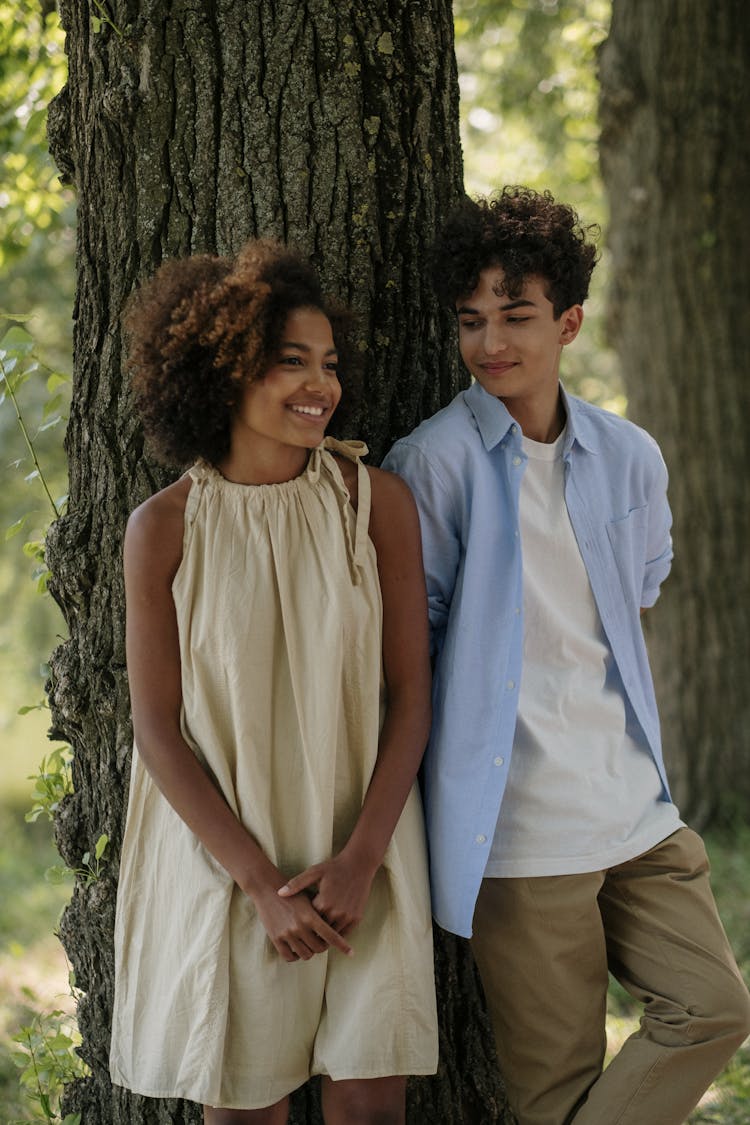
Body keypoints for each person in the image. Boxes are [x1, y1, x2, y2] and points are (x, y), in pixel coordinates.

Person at [383, 187, 750, 1125]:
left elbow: (635, 599)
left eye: (516, 315)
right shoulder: (433, 464)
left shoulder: (630, 456)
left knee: (713, 1008)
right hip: (520, 832)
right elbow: (408, 643)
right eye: (471, 320)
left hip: (635, 807)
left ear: (570, 321)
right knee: (554, 1093)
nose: (490, 341)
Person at [109, 240, 438, 1124]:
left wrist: (364, 857)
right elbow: (158, 728)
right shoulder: (165, 528)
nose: (318, 385)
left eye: (328, 364)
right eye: (290, 361)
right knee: (244, 1106)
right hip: (230, 859)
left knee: (370, 1104)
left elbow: (412, 697)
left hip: (363, 849)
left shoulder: (377, 504)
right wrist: (257, 880)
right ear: (225, 368)